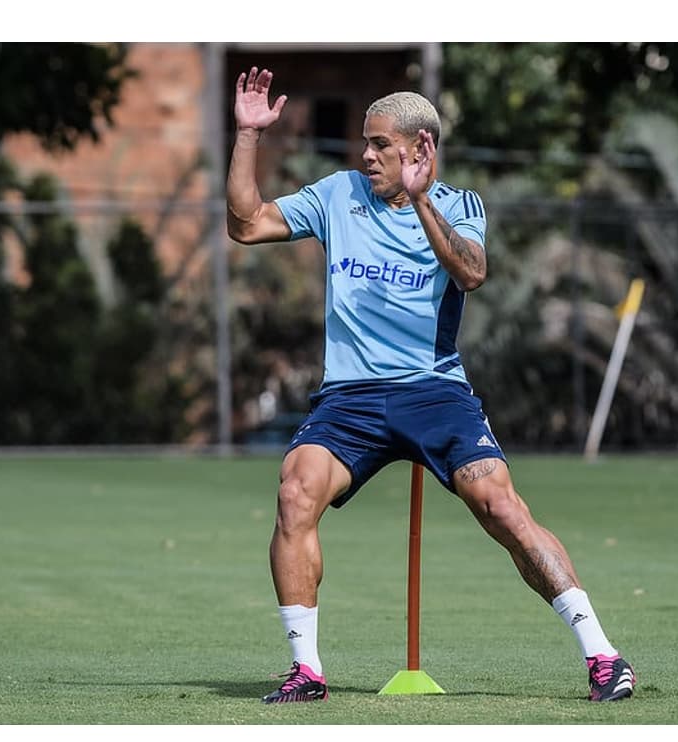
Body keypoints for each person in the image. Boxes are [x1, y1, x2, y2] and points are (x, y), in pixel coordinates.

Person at [225, 66, 636, 704]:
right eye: (365, 143)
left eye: (380, 145)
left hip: (433, 390)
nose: (365, 155)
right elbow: (246, 224)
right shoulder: (338, 195)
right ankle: (306, 672)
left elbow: (471, 273)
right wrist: (248, 135)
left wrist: (420, 202)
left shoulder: (459, 206)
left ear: (421, 149)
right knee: (295, 492)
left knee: (502, 508)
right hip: (350, 398)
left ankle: (603, 656)